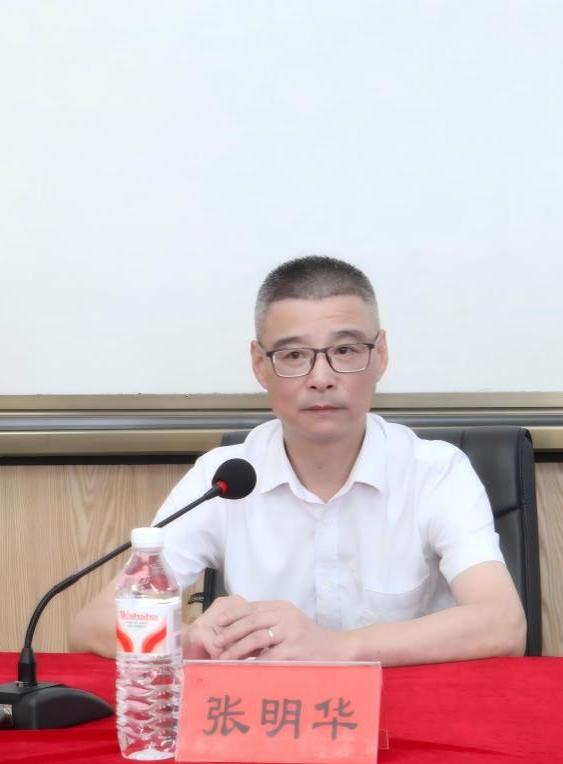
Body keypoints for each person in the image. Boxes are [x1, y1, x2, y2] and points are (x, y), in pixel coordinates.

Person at [70, 256, 526, 666]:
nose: (321, 378)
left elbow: (503, 624)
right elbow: (92, 625)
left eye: (345, 351)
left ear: (380, 355)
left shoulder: (436, 472)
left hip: (409, 712)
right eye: (293, 355)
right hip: (268, 718)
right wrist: (186, 639)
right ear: (260, 365)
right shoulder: (221, 479)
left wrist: (336, 647)